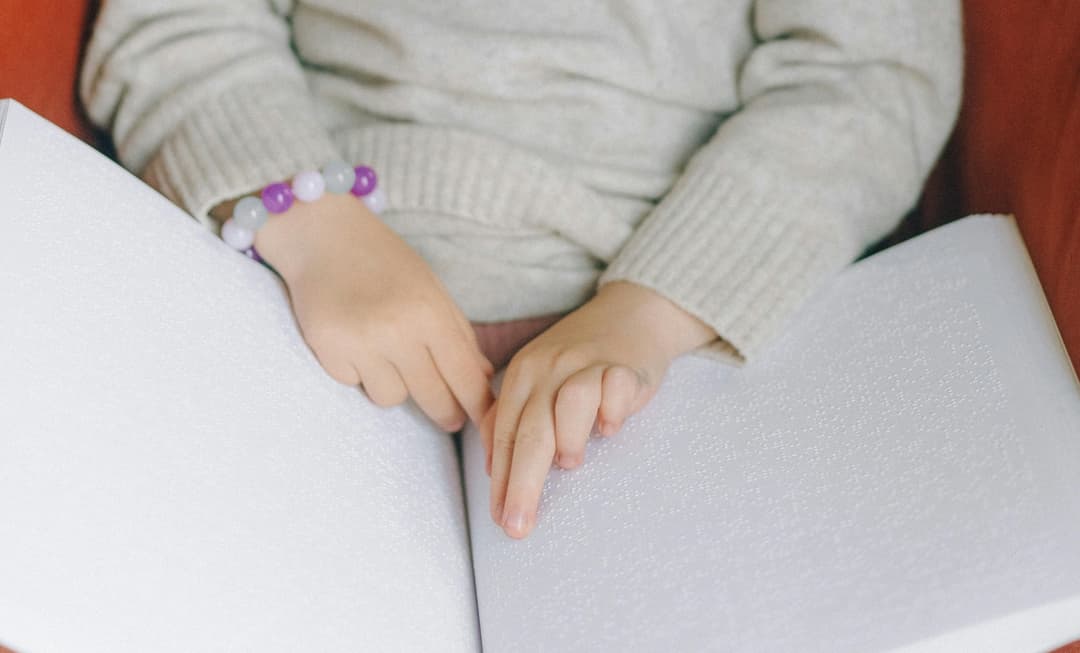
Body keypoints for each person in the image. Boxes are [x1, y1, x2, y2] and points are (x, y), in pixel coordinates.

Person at [80, 0, 962, 540]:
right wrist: (312, 222)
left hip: (684, 320)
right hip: (299, 274)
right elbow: (178, 19)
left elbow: (871, 79)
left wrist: (652, 310)